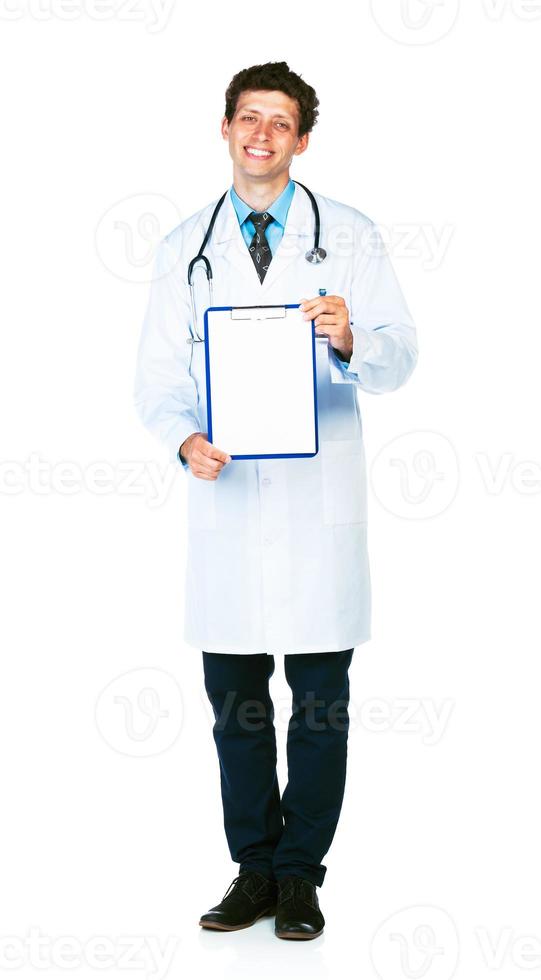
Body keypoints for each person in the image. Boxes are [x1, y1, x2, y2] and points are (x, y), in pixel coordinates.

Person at [133, 60, 418, 940]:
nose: (261, 134)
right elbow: (157, 379)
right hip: (227, 506)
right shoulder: (185, 243)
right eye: (247, 118)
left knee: (321, 707)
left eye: (280, 122)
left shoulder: (354, 237)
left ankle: (300, 877)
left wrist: (351, 337)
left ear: (301, 139)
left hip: (315, 508)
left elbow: (400, 357)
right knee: (238, 710)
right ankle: (253, 869)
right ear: (224, 128)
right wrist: (185, 441)